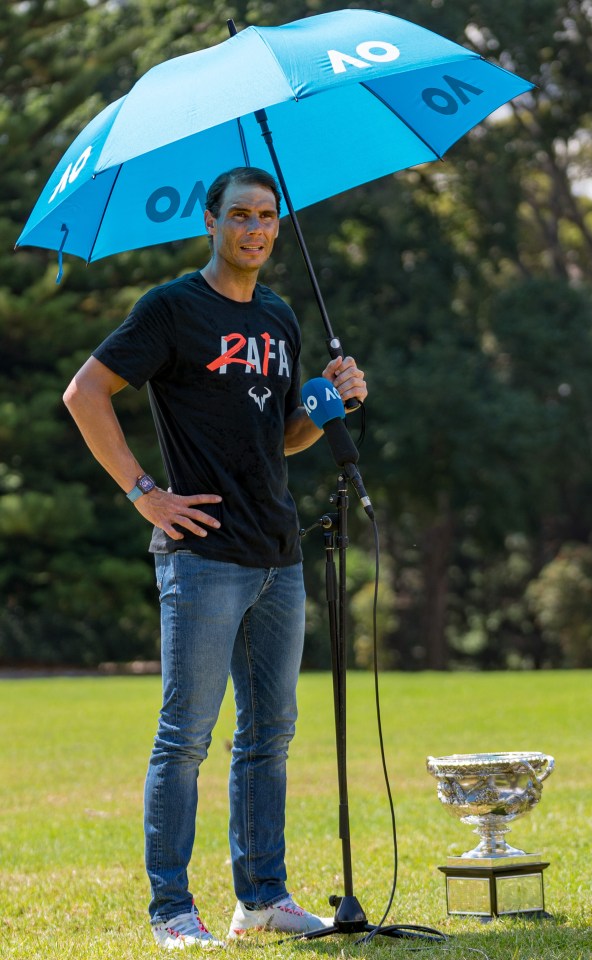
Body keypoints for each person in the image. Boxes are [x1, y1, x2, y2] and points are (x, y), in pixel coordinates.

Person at [63, 166, 368, 951]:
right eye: (240, 216)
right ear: (210, 221)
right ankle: (171, 911)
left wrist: (328, 401)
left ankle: (262, 897)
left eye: (267, 217)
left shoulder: (277, 315)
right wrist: (145, 493)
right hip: (201, 558)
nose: (256, 230)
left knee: (269, 735)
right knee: (186, 738)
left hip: (278, 552)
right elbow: (83, 394)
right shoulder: (171, 309)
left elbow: (285, 441)